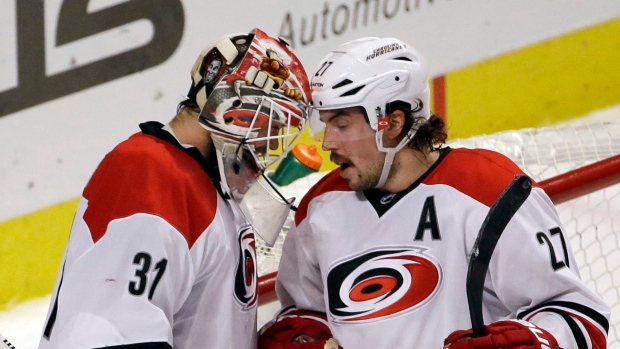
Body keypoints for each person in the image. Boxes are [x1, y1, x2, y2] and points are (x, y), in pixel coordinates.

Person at [258, 37, 610, 349]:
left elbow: (578, 317)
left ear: (393, 123)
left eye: (342, 124)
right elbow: (303, 315)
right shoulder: (319, 208)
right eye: (325, 123)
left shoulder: (487, 190)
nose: (327, 143)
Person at [38, 28, 311, 349]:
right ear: (238, 112)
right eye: (273, 128)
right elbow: (107, 333)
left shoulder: (212, 190)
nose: (270, 148)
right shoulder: (150, 172)